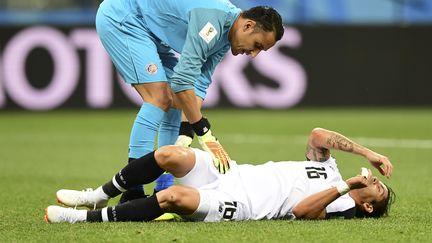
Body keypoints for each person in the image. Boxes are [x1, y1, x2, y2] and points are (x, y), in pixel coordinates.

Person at [94, 0, 285, 200]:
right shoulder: (211, 21)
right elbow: (182, 80)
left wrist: (186, 130)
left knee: (176, 105)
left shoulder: (227, 35)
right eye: (257, 45)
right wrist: (202, 130)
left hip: (150, 30)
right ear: (248, 26)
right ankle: (133, 192)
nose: (254, 54)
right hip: (124, 17)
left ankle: (162, 189)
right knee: (159, 97)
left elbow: (199, 82)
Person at [45, 127, 395, 223]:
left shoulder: (338, 206)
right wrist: (368, 154)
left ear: (367, 207)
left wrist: (345, 187)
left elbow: (302, 212)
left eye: (378, 191)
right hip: (234, 172)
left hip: (242, 203)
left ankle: (82, 219)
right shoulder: (329, 167)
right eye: (377, 181)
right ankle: (98, 194)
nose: (375, 183)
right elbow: (319, 135)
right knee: (169, 154)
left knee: (172, 198)